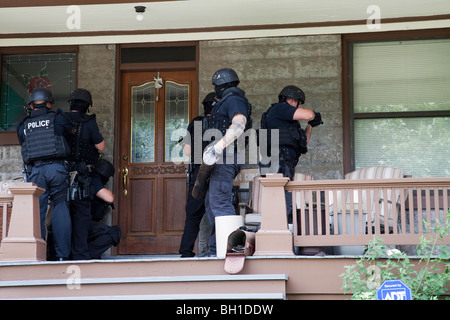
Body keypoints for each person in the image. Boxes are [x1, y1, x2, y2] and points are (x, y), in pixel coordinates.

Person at [16, 88, 73, 261]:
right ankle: (62, 256)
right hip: (56, 169)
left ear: (31, 106)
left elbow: (24, 144)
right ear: (48, 104)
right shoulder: (57, 118)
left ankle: (37, 255)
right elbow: (70, 133)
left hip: (36, 172)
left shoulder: (24, 125)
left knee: (37, 213)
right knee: (60, 207)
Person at [202, 68, 252, 256]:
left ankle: (230, 252)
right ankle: (216, 250)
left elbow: (239, 123)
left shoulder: (233, 99)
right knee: (212, 203)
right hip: (222, 157)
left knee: (220, 203)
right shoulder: (228, 99)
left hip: (226, 156)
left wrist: (219, 146)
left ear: (220, 85)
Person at [260, 85, 322, 224]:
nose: (299, 107)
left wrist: (310, 125)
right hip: (279, 160)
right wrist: (313, 115)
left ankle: (284, 226)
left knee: (284, 194)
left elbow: (303, 141)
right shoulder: (280, 109)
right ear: (292, 100)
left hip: (284, 161)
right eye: (299, 104)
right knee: (281, 195)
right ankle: (282, 228)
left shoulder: (288, 122)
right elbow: (308, 114)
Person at [65, 88, 105, 260]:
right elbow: (101, 146)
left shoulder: (61, 119)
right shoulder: (89, 122)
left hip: (61, 173)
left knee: (62, 214)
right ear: (87, 106)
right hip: (81, 175)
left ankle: (62, 254)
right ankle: (80, 255)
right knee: (82, 216)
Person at [178, 92, 216, 258]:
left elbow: (187, 151)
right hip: (218, 173)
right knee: (219, 212)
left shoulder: (195, 123)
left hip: (199, 173)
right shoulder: (222, 123)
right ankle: (218, 250)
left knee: (193, 214)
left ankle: (186, 251)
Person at [87, 158, 121, 259]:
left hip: (85, 224)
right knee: (114, 233)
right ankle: (86, 255)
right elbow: (109, 198)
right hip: (84, 224)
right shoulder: (94, 180)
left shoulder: (90, 178)